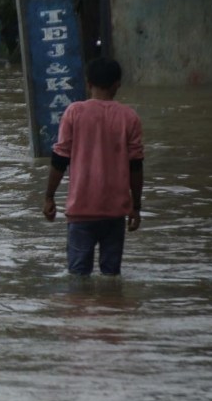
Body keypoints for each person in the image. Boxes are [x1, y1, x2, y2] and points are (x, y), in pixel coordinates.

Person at [43, 58, 144, 276]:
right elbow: (136, 166)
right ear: (117, 84)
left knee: (78, 277)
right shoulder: (130, 117)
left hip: (81, 210)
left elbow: (60, 159)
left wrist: (49, 196)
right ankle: (112, 308)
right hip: (115, 212)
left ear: (88, 83)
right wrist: (136, 206)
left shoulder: (74, 113)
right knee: (111, 276)